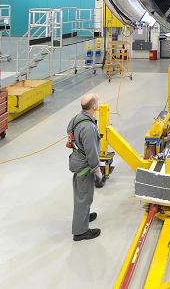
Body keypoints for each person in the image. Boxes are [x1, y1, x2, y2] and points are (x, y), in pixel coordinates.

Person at [67, 92, 103, 241]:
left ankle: (84, 216)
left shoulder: (77, 118)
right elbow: (91, 152)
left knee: (83, 195)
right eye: (97, 102)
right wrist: (97, 170)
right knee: (83, 197)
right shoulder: (88, 127)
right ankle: (80, 232)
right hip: (85, 166)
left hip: (77, 160)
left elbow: (70, 131)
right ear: (93, 106)